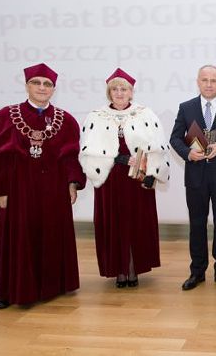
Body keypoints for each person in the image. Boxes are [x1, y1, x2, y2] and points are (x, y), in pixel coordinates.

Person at [0, 63, 86, 309]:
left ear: (53, 89)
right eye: (36, 83)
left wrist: (72, 183)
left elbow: (71, 155)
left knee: (51, 234)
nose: (42, 87)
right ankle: (8, 291)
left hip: (54, 189)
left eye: (47, 84)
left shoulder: (66, 120)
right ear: (27, 85)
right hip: (19, 189)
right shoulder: (5, 116)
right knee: (17, 237)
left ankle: (51, 287)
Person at [79, 68, 170, 288]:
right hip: (110, 180)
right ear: (109, 92)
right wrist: (116, 158)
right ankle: (119, 270)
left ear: (131, 92)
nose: (119, 93)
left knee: (136, 223)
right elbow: (87, 150)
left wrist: (153, 174)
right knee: (114, 224)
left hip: (137, 180)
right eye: (115, 89)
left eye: (124, 89)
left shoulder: (145, 114)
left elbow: (158, 147)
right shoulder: (96, 116)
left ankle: (133, 268)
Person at [170, 65, 216, 291]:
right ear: (198, 82)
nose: (209, 84)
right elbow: (175, 139)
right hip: (195, 177)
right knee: (197, 225)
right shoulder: (186, 108)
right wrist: (187, 153)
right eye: (205, 80)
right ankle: (197, 272)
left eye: (213, 80)